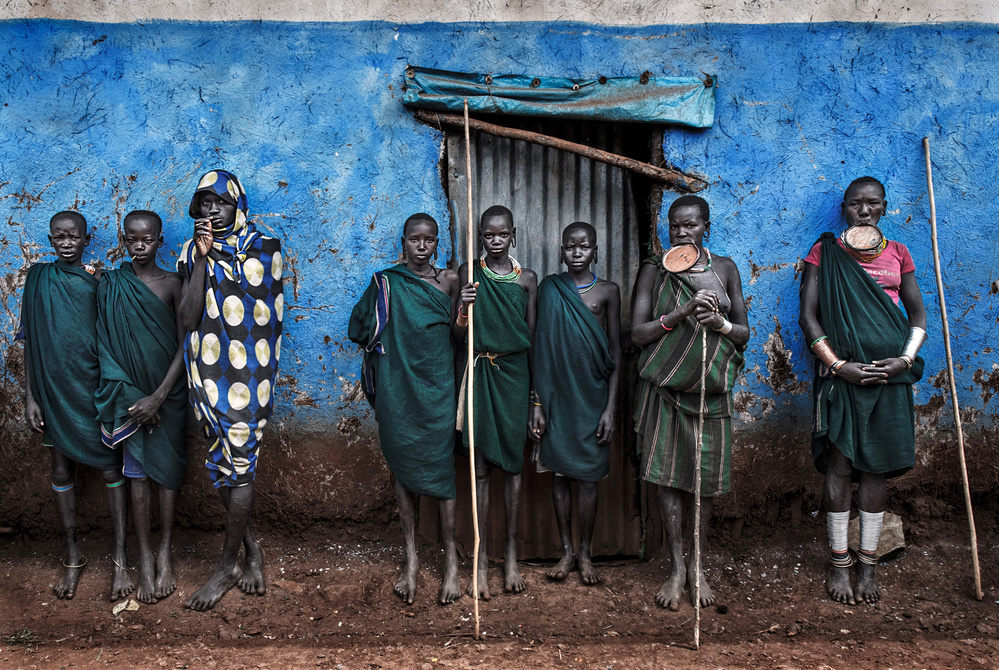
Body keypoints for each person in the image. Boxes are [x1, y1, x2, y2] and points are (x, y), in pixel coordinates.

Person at [798, 176, 926, 605]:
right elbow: (808, 317)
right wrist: (838, 366)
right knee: (840, 466)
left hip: (889, 381)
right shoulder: (826, 253)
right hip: (844, 379)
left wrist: (903, 361)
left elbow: (918, 317)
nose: (864, 211)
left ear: (884, 208)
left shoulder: (899, 254)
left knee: (875, 470)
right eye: (856, 204)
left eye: (873, 204)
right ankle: (839, 565)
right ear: (845, 208)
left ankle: (868, 565)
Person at [632, 195, 749, 610]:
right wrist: (681, 311)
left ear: (706, 227)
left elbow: (743, 335)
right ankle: (676, 568)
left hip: (711, 390)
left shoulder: (725, 269)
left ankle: (697, 565)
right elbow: (638, 334)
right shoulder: (654, 270)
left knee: (705, 482)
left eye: (691, 226)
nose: (682, 233)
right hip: (666, 388)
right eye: (675, 226)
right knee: (667, 477)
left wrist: (719, 322)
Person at [177, 169, 284, 611]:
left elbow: (266, 313)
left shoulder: (265, 246)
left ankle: (225, 566)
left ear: (236, 203)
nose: (211, 210)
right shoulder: (191, 251)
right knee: (223, 465)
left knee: (240, 465)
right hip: (207, 372)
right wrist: (203, 259)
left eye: (219, 202)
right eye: (204, 204)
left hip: (251, 377)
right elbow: (186, 317)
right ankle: (250, 550)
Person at [348, 213, 462, 605]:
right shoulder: (387, 283)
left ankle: (451, 565)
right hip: (399, 389)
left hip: (438, 388)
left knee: (444, 474)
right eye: (414, 239)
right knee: (402, 471)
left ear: (436, 244)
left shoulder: (449, 281)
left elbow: (459, 334)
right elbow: (357, 327)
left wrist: (464, 307)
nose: (421, 246)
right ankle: (411, 560)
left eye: (429, 240)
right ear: (404, 242)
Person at [19, 211, 134, 601]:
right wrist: (31, 397)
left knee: (110, 467)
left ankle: (120, 559)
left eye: (74, 237)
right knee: (60, 467)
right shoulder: (37, 280)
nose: (66, 243)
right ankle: (72, 556)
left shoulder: (98, 281)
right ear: (50, 240)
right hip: (53, 391)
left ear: (87, 239)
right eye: (59, 237)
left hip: (93, 390)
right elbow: (30, 343)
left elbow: (114, 337)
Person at [94, 210, 188, 603]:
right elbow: (104, 344)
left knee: (166, 476)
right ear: (123, 239)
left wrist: (159, 397)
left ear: (159, 240)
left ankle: (165, 552)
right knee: (137, 476)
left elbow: (187, 345)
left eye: (146, 239)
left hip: (167, 395)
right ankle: (144, 556)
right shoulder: (112, 284)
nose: (139, 246)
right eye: (132, 239)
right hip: (130, 399)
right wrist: (136, 399)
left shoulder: (173, 284)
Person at [456, 205, 542, 599]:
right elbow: (458, 337)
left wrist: (535, 398)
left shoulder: (527, 280)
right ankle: (480, 557)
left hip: (513, 376)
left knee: (512, 466)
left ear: (512, 235)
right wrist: (463, 308)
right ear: (480, 236)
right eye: (487, 235)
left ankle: (510, 556)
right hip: (479, 372)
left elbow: (533, 341)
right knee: (478, 470)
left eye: (501, 235)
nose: (494, 241)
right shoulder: (468, 273)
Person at [533, 222, 621, 585]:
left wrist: (611, 408)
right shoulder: (549, 289)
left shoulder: (608, 292)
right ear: (562, 252)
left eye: (584, 246)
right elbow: (539, 348)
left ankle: (585, 553)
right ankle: (566, 551)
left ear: (595, 251)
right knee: (559, 474)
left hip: (593, 396)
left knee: (588, 480)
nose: (577, 252)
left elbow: (615, 350)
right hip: (557, 397)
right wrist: (536, 402)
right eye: (570, 246)